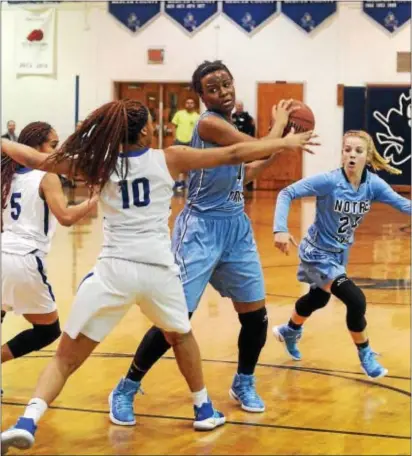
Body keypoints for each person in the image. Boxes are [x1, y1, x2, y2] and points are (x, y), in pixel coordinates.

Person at [0, 99, 316, 453]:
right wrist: (283, 142)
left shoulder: (97, 165)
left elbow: (32, 159)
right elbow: (234, 154)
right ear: (147, 130)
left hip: (113, 271)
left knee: (65, 358)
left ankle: (27, 420)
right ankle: (204, 409)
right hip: (157, 271)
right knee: (181, 336)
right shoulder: (169, 157)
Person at [108, 60, 312, 426]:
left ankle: (243, 382)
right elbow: (251, 147)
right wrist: (281, 130)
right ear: (201, 96)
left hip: (236, 227)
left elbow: (245, 170)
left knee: (256, 316)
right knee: (176, 319)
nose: (223, 91)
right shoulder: (209, 123)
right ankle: (126, 386)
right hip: (199, 229)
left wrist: (275, 147)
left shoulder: (231, 125)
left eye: (227, 84)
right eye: (214, 88)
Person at [272, 130, 411, 379]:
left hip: (338, 254)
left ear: (368, 156)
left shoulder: (373, 184)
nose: (352, 155)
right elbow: (287, 193)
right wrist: (280, 229)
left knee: (318, 299)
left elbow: (404, 205)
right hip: (317, 253)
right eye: (347, 149)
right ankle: (365, 355)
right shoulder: (329, 181)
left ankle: (290, 330)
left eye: (358, 151)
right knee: (356, 300)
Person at [1, 121, 98, 369]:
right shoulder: (47, 175)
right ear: (35, 147)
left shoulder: (7, 173)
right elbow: (65, 217)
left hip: (3, 250)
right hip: (24, 258)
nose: (58, 151)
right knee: (47, 330)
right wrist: (94, 200)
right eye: (53, 145)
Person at [171, 97, 200, 192]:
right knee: (178, 163)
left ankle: (188, 183)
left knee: (189, 164)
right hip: (179, 141)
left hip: (191, 143)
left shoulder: (197, 116)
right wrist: (174, 137)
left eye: (191, 103)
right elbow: (173, 126)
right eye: (187, 102)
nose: (189, 104)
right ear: (185, 104)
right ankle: (178, 183)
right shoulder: (179, 114)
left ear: (194, 105)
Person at [232, 101, 256, 191]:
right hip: (235, 145)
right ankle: (235, 186)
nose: (239, 107)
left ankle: (249, 186)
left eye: (241, 106)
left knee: (248, 164)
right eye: (238, 106)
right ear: (235, 106)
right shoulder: (231, 117)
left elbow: (252, 130)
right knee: (236, 166)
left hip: (246, 144)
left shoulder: (248, 117)